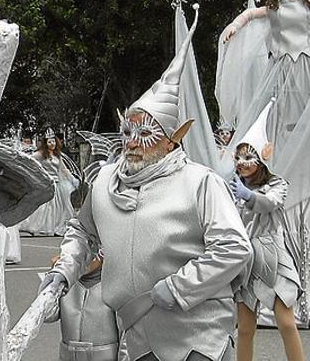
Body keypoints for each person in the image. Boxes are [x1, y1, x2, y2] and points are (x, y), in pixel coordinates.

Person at [40, 30, 250, 361]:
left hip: (199, 334)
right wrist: (62, 274)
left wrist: (179, 287)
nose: (133, 142)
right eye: (127, 132)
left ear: (172, 139)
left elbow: (234, 248)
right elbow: (82, 232)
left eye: (146, 133)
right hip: (138, 335)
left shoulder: (200, 183)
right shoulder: (105, 182)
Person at [221, 0, 310, 215]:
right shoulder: (275, 6)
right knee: (278, 118)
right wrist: (235, 24)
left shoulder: (307, 4)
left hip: (306, 64)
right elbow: (251, 14)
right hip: (282, 69)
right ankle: (281, 168)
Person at [229, 100, 305, 361]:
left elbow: (271, 203)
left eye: (249, 156)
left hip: (274, 257)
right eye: (238, 157)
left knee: (286, 322)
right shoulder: (232, 189)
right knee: (246, 328)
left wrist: (248, 196)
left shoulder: (277, 184)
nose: (242, 162)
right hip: (246, 261)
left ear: (262, 157)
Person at [45, 253, 118, 361]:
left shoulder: (115, 288)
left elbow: (126, 338)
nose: (84, 260)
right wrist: (53, 281)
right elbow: (47, 314)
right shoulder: (67, 284)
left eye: (91, 255)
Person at [19, 128, 77, 236]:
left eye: (54, 141)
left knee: (59, 207)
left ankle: (56, 226)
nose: (52, 144)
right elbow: (31, 162)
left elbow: (63, 169)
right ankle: (40, 226)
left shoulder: (57, 155)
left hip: (58, 185)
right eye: (50, 142)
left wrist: (72, 178)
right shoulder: (40, 154)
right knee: (45, 207)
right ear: (45, 143)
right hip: (47, 184)